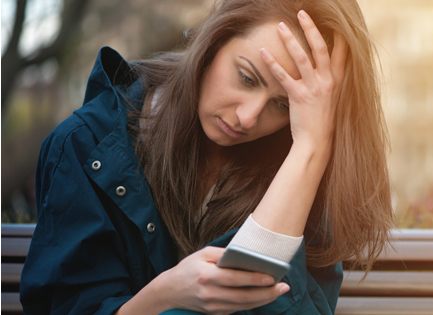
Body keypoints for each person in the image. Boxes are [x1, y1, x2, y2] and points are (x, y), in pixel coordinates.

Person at [20, 0, 393, 314]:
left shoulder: (302, 163)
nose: (248, 117)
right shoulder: (86, 145)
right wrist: (166, 294)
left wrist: (311, 149)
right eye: (247, 78)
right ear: (214, 41)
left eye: (283, 104)